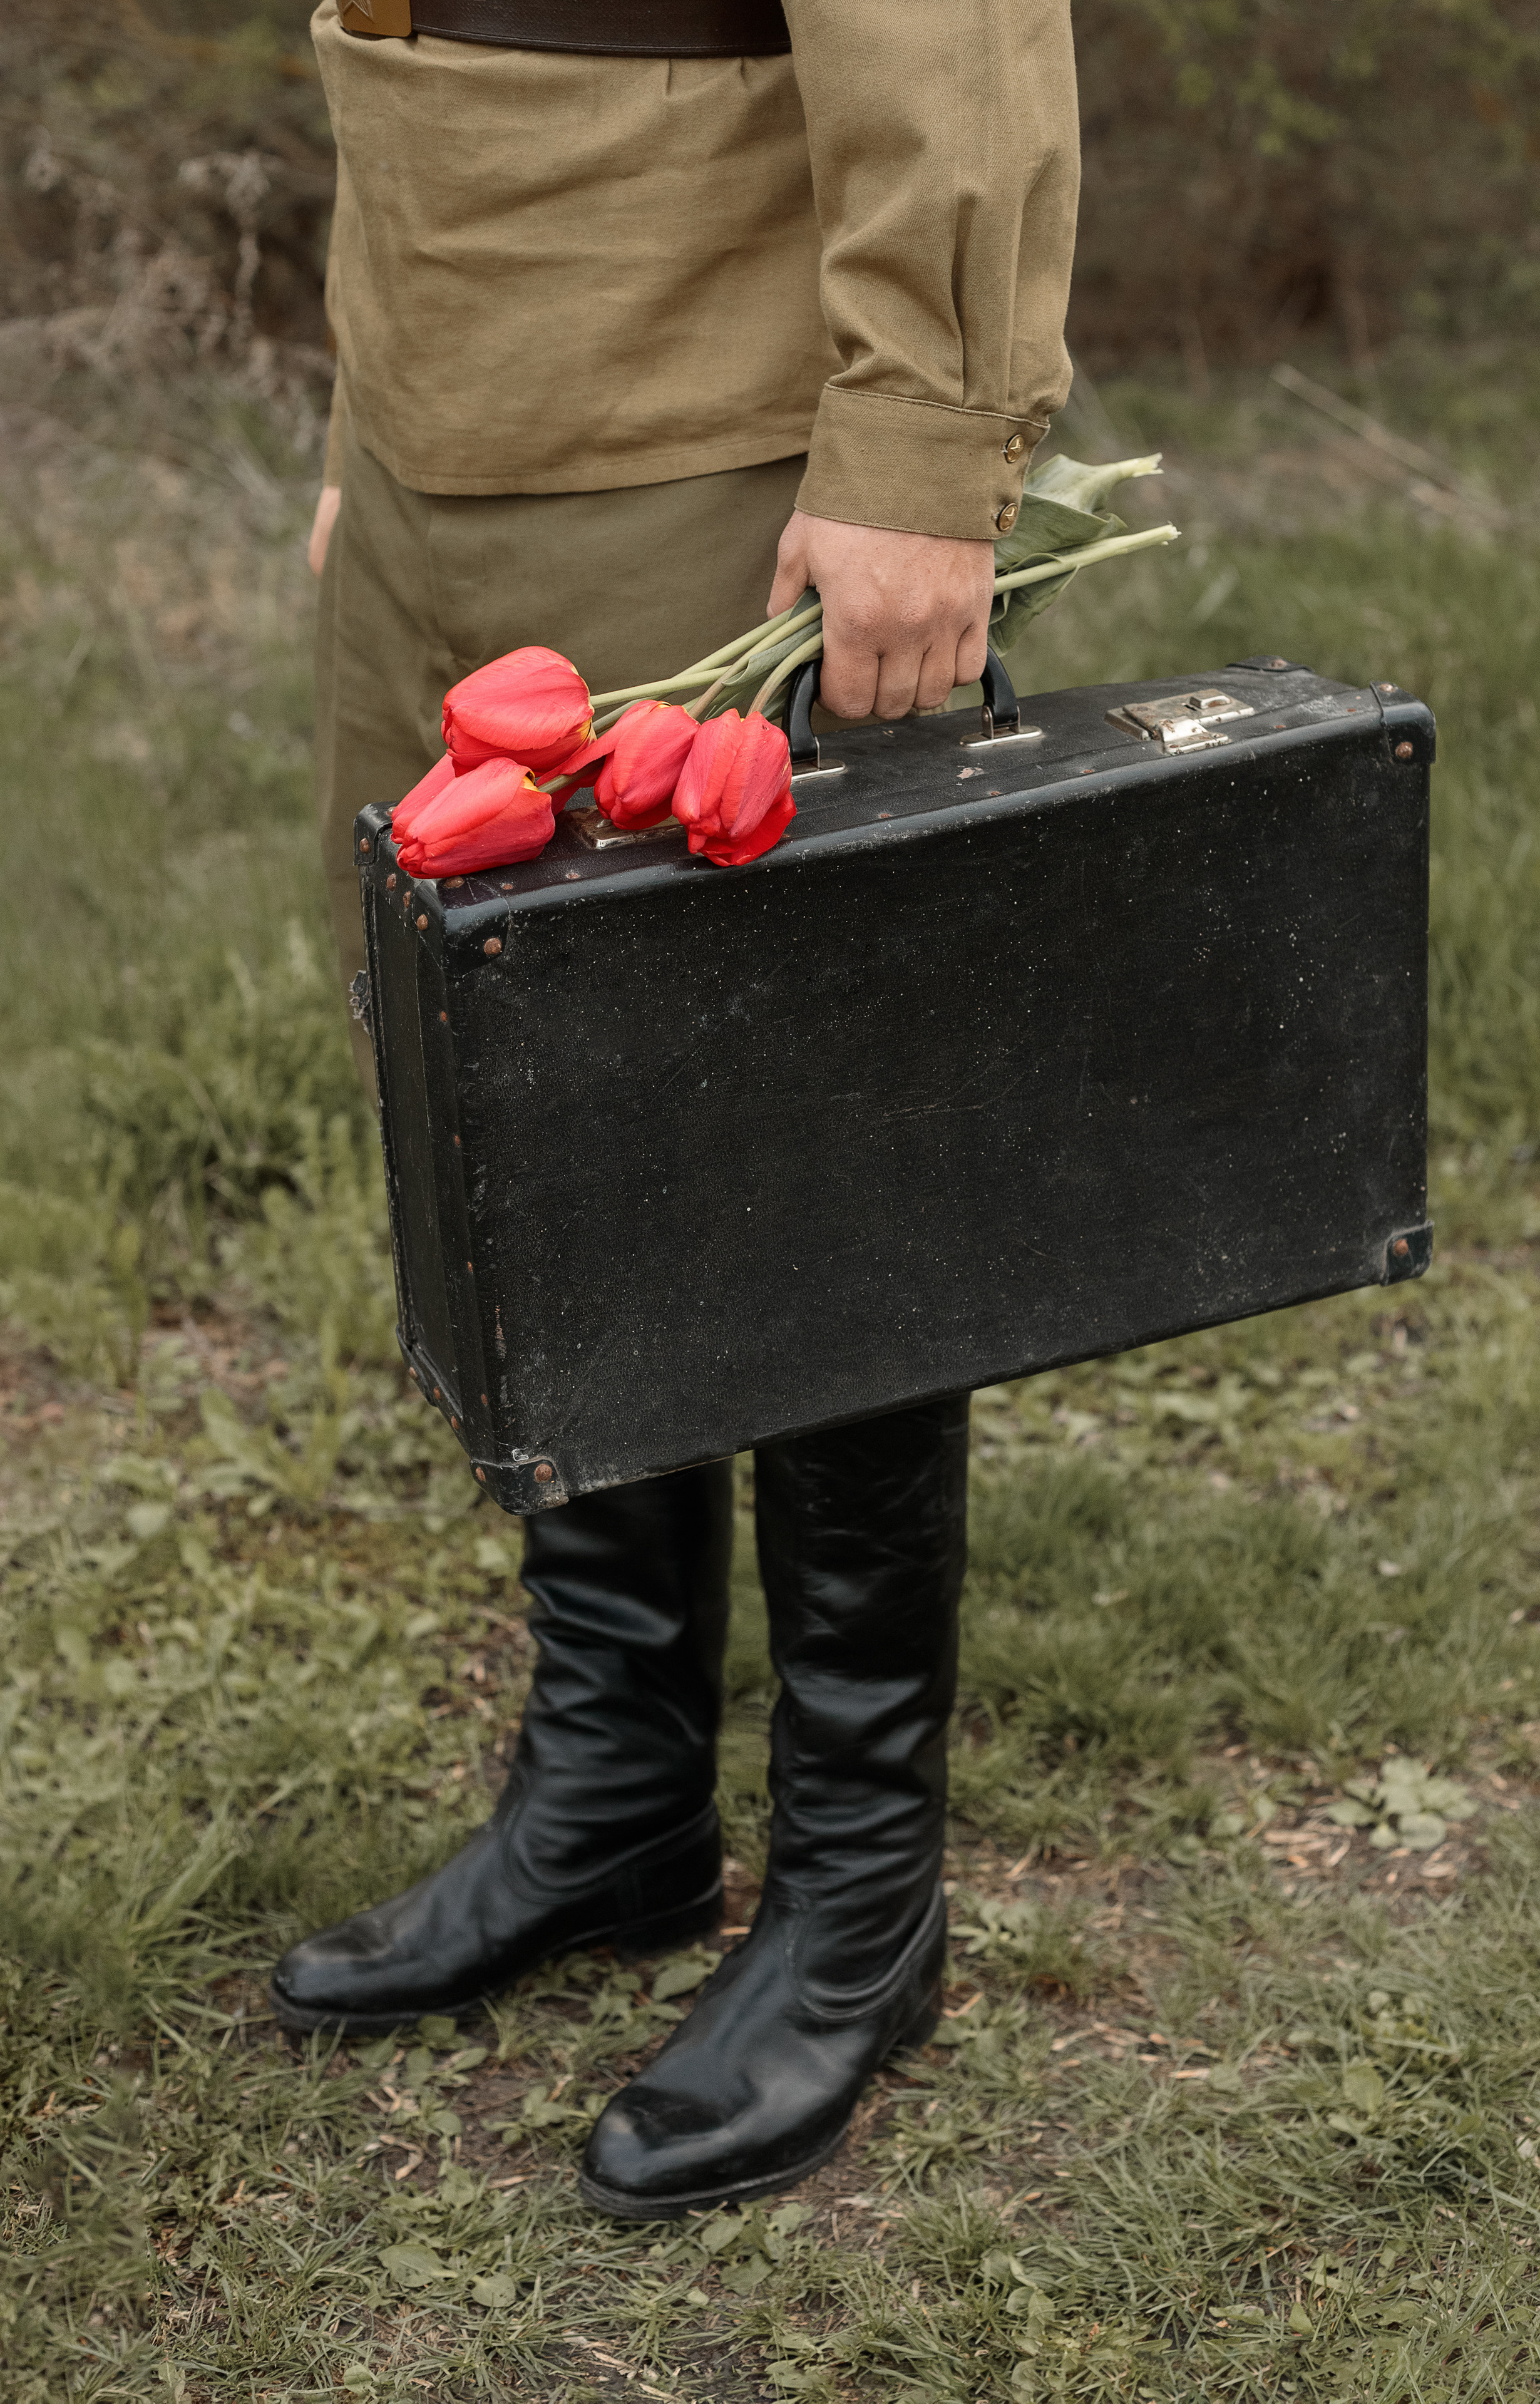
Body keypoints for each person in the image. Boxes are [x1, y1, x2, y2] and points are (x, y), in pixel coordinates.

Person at [272, 0, 1080, 2217]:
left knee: (794, 1160)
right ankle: (619, 1789)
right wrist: (387, 389)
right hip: (465, 378)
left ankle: (858, 1893)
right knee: (523, 1114)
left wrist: (926, 437)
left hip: (710, 405)